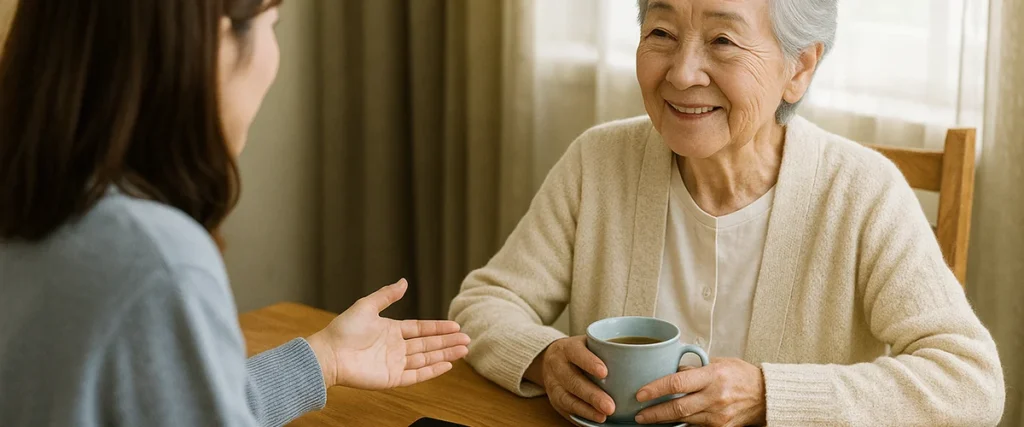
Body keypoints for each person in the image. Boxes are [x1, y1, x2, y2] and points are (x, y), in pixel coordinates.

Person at [448, 0, 1005, 425]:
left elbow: (969, 382)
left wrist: (770, 396)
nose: (683, 72)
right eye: (661, 33)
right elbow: (485, 302)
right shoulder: (598, 161)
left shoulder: (863, 192)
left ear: (800, 66)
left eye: (722, 40)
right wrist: (543, 357)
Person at [0, 1, 470, 426]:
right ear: (215, 40)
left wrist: (324, 358)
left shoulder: (38, 207)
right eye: (273, 23)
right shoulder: (156, 259)